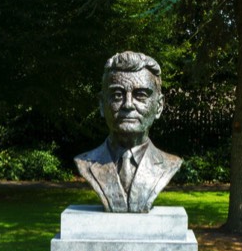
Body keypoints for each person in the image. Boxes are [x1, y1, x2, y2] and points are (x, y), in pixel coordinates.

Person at [75, 51, 182, 213]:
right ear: (102, 105)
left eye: (141, 95)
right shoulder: (86, 163)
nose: (128, 105)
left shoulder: (169, 164)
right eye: (117, 95)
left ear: (159, 106)